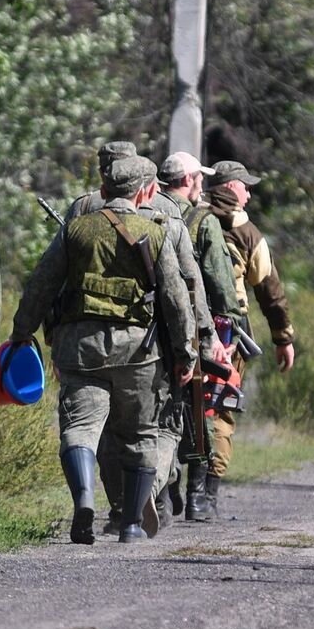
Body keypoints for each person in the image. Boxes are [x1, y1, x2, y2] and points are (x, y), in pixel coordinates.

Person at [9, 155, 196, 544]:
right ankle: (130, 525)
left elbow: (41, 285)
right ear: (145, 192)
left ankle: (84, 502)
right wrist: (185, 355)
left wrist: (21, 333)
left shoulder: (75, 230)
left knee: (80, 429)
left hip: (81, 352)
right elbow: (177, 300)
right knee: (141, 435)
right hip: (140, 356)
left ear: (103, 189)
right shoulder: (156, 231)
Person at [62, 142, 215, 533]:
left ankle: (115, 508)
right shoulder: (167, 216)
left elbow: (52, 282)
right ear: (144, 184)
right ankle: (140, 505)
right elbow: (185, 289)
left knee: (99, 430)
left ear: (104, 175)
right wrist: (195, 346)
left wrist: (35, 331)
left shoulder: (80, 213)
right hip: (151, 343)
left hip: (84, 341)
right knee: (158, 428)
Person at [204, 160, 295, 516]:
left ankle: (170, 491)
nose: (250, 192)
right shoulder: (248, 232)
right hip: (228, 332)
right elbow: (269, 290)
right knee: (221, 406)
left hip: (182, 326)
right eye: (245, 185)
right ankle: (206, 494)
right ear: (230, 188)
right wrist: (282, 337)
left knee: (179, 405)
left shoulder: (189, 218)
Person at [159, 151, 245, 521]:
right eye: (198, 180)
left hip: (149, 329)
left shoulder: (148, 209)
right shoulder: (203, 221)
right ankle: (197, 499)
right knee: (200, 407)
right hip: (195, 327)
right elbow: (220, 283)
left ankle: (162, 496)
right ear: (191, 180)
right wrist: (232, 325)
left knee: (158, 412)